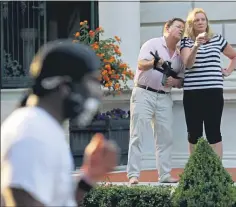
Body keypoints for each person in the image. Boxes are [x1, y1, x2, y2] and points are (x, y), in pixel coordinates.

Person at [1, 40, 119, 206]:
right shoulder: (31, 132)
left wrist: (88, 177)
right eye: (91, 81)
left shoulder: (42, 127)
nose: (97, 93)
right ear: (65, 86)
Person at [127, 18, 185, 184]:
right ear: (167, 28)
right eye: (178, 27)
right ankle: (133, 175)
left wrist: (175, 82)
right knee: (137, 134)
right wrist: (155, 62)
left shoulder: (180, 55)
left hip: (165, 97)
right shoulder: (152, 44)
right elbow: (140, 63)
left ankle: (165, 175)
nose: (181, 30)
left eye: (183, 28)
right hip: (143, 93)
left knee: (165, 137)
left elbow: (182, 80)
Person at [180, 8, 236, 159]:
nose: (200, 22)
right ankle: (196, 169)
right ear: (191, 24)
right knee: (194, 132)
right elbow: (188, 64)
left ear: (207, 22)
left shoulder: (217, 39)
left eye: (203, 19)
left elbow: (235, 56)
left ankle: (216, 170)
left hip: (213, 91)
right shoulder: (186, 42)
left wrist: (228, 71)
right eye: (197, 20)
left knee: (213, 131)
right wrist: (195, 46)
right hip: (193, 92)